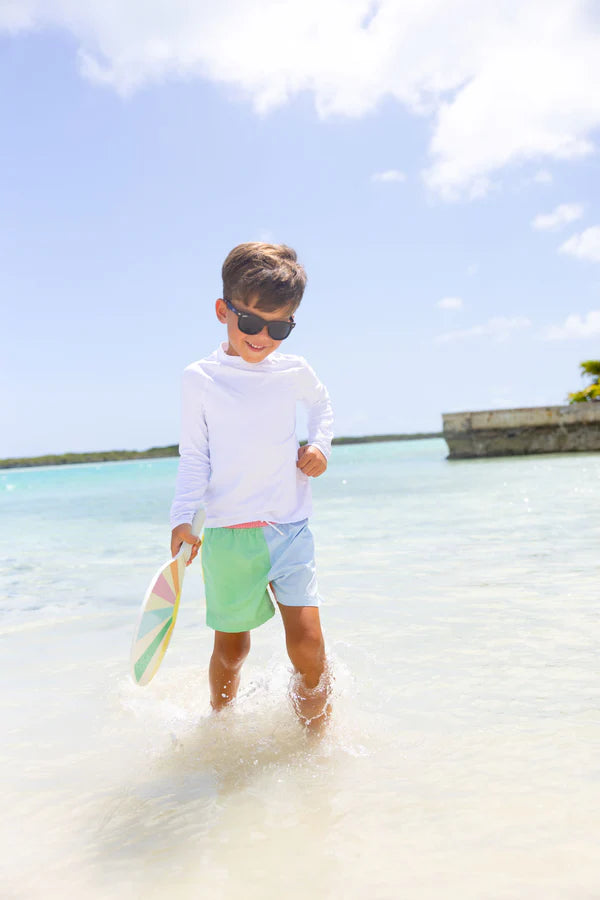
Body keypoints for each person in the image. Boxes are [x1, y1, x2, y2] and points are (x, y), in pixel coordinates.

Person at [169, 242, 334, 727]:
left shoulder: (294, 371)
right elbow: (194, 455)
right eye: (250, 323)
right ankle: (220, 725)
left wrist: (320, 446)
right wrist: (182, 518)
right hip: (227, 535)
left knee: (308, 643)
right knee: (233, 649)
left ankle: (318, 744)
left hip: (290, 527)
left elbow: (322, 406)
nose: (263, 337)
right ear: (224, 311)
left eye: (279, 327)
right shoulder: (200, 378)